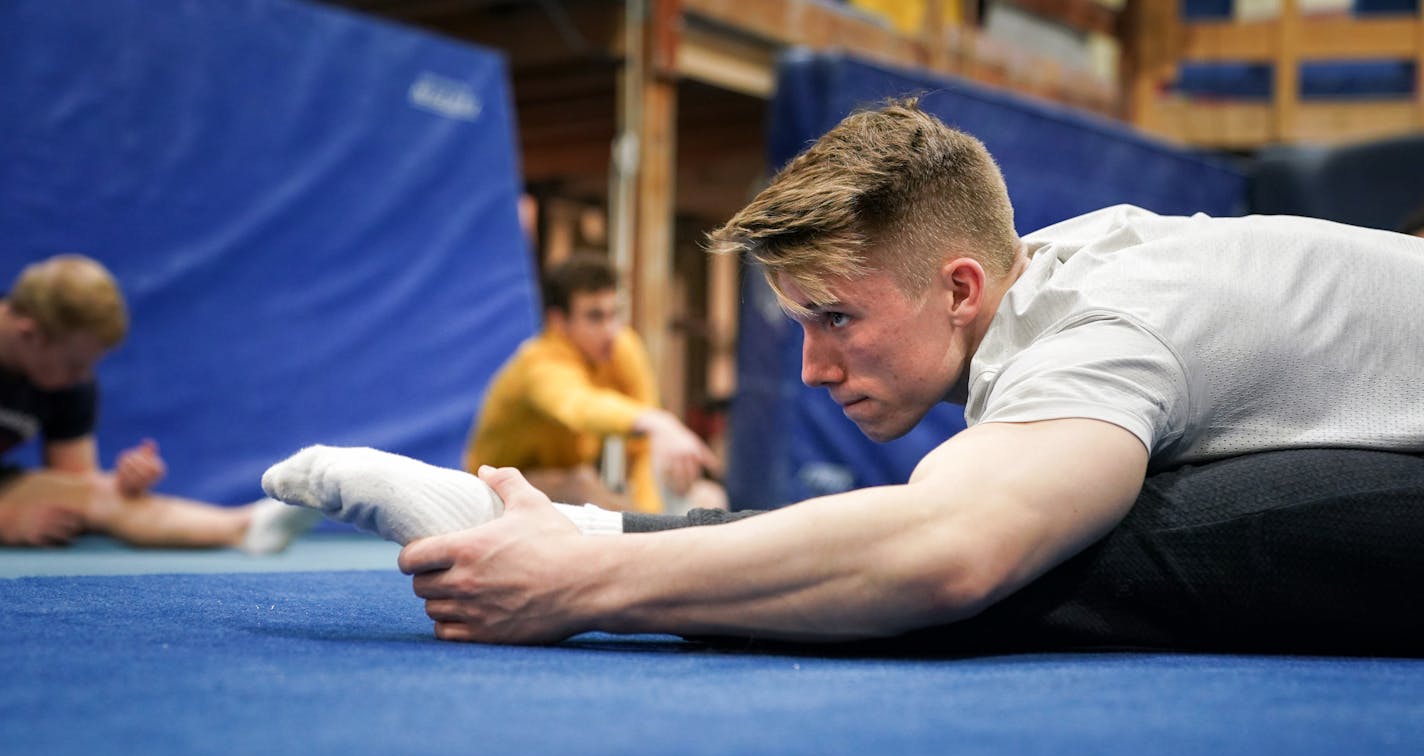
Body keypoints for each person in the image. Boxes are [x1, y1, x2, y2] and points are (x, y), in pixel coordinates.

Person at [263, 98, 1424, 648]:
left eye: (834, 319)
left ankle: (586, 545)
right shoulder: (1048, 280)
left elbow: (948, 551)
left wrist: (585, 588)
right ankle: (589, 532)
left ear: (959, 287)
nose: (813, 369)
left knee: (1064, 543)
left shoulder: (1104, 329)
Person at [0, 254, 317, 551]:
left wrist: (122, 484)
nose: (81, 377)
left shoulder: (70, 383)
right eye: (73, 365)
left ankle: (247, 527)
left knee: (106, 497)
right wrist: (7, 521)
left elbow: (74, 485)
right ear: (29, 333)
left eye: (88, 365)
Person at [463, 251, 725, 513]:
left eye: (615, 313)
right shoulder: (538, 363)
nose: (611, 330)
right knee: (582, 486)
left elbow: (643, 446)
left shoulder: (622, 346)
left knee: (709, 498)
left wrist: (652, 515)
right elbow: (579, 406)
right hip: (492, 491)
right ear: (558, 321)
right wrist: (656, 420)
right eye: (595, 317)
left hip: (572, 480)